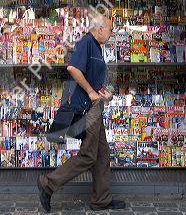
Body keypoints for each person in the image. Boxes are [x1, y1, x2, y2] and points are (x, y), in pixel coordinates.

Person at [37, 16, 126, 212]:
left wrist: (104, 93)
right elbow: (73, 69)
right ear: (100, 29)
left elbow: (91, 77)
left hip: (95, 107)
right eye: (110, 30)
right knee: (88, 155)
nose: (111, 34)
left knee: (102, 154)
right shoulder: (86, 43)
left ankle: (101, 199)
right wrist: (91, 92)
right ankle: (48, 184)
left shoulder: (97, 48)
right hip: (87, 109)